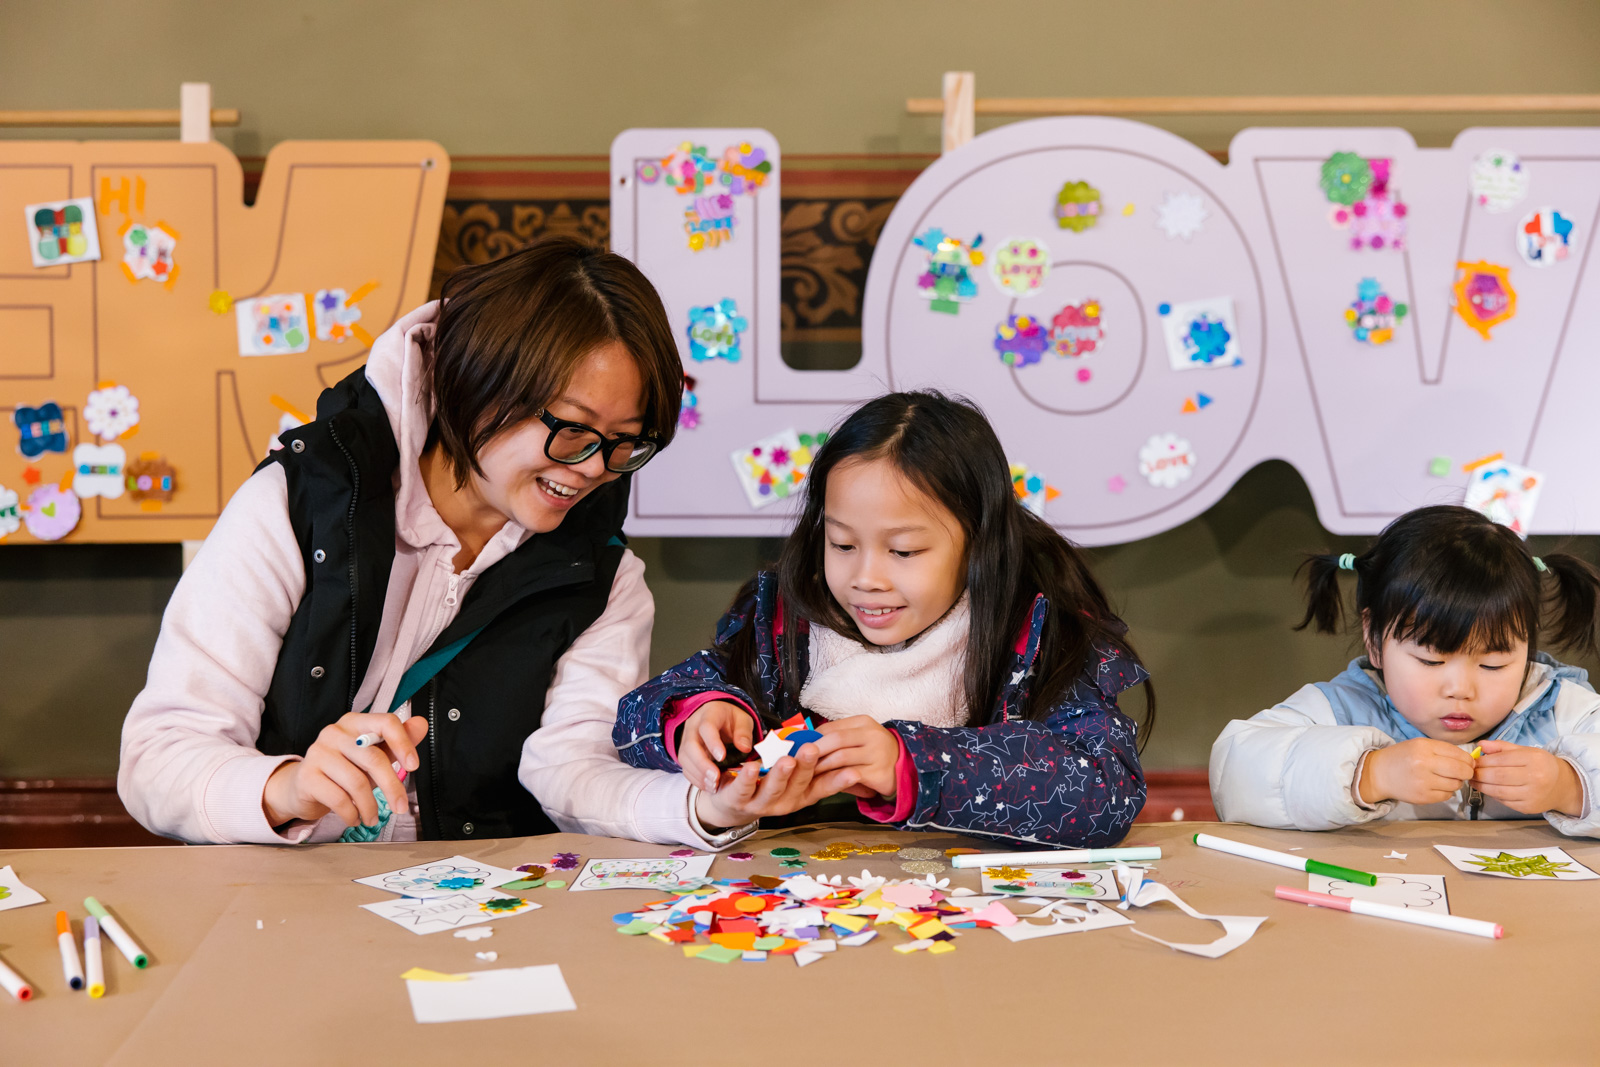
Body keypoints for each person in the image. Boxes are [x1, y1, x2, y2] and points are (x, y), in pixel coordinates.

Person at [121, 236, 737, 847]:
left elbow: (575, 770)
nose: (592, 467)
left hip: (478, 915)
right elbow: (158, 761)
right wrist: (287, 787)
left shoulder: (602, 577)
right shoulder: (296, 506)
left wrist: (705, 807)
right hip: (281, 909)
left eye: (625, 441)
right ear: (479, 381)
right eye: (572, 429)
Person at [613, 390, 1154, 847]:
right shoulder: (784, 620)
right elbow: (638, 714)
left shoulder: (1036, 632)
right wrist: (698, 717)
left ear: (978, 547)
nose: (865, 577)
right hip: (803, 903)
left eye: (904, 552)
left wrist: (911, 761)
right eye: (842, 543)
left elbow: (1107, 789)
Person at [1211, 505, 1600, 835]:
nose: (1460, 688)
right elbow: (1234, 773)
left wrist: (1569, 786)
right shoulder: (1340, 710)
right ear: (1375, 639)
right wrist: (1371, 774)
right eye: (1431, 661)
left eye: (1492, 663)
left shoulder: (1561, 708)